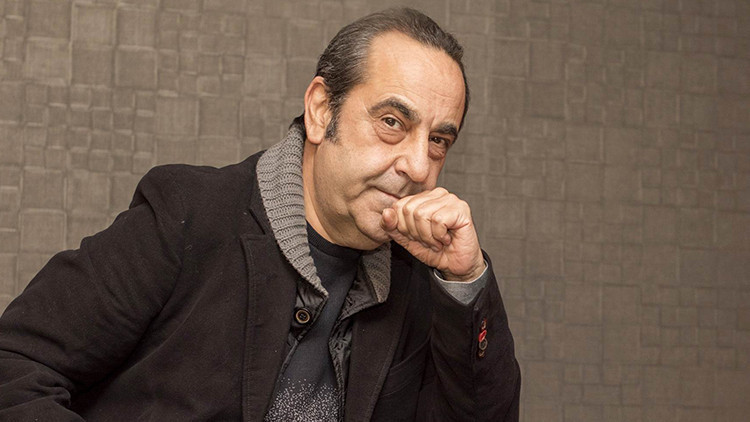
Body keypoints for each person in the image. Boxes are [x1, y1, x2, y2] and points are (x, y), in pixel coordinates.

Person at [0, 8, 520, 421]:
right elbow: (16, 367)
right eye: (391, 122)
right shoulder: (187, 214)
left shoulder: (424, 276)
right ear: (321, 110)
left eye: (438, 141)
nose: (418, 166)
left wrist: (465, 281)